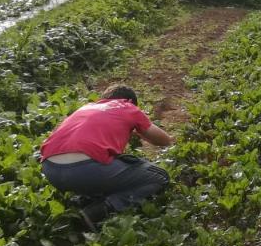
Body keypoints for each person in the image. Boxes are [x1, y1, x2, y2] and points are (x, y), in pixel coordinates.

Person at [40, 85, 173, 226]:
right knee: (160, 176)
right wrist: (136, 130)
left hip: (50, 170)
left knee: (106, 164)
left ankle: (83, 198)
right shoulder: (127, 107)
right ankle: (100, 210)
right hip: (87, 171)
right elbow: (164, 140)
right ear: (129, 100)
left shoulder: (85, 108)